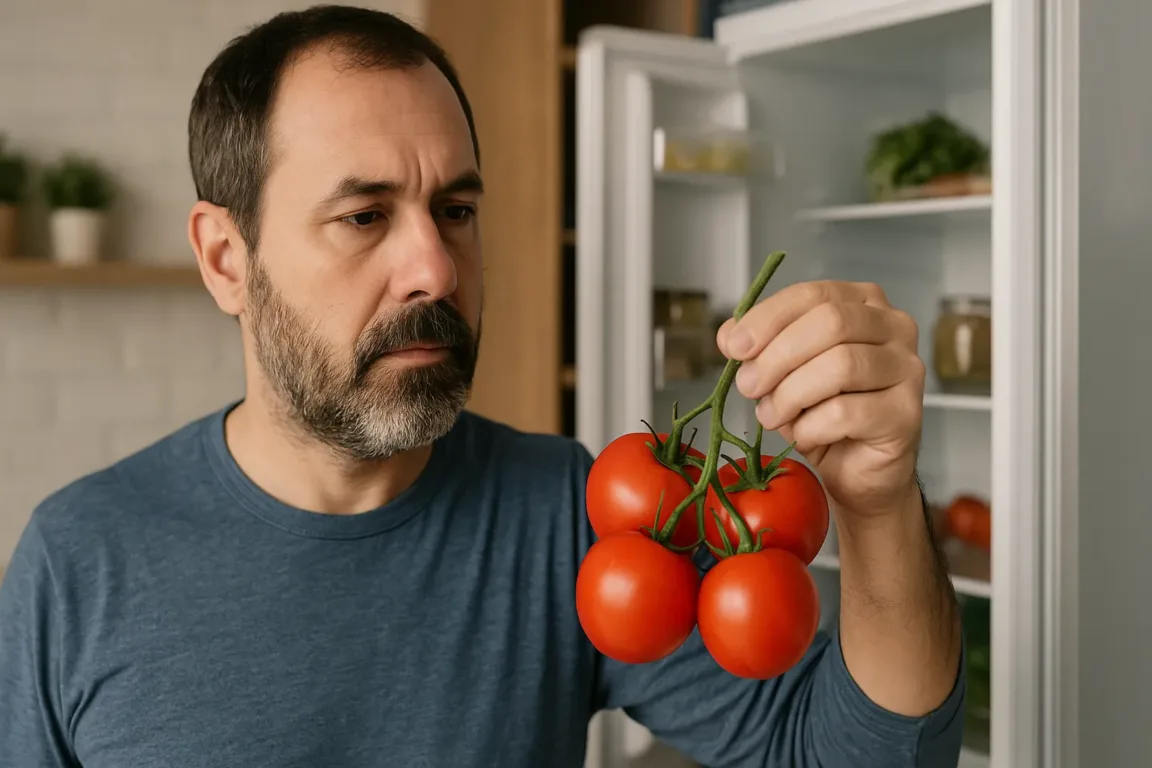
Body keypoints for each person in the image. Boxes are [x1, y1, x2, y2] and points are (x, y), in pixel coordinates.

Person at [0, 6, 965, 767]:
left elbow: (860, 757)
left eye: (455, 208)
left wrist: (877, 507)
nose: (436, 268)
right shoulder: (78, 560)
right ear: (225, 259)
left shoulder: (561, 513)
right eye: (364, 215)